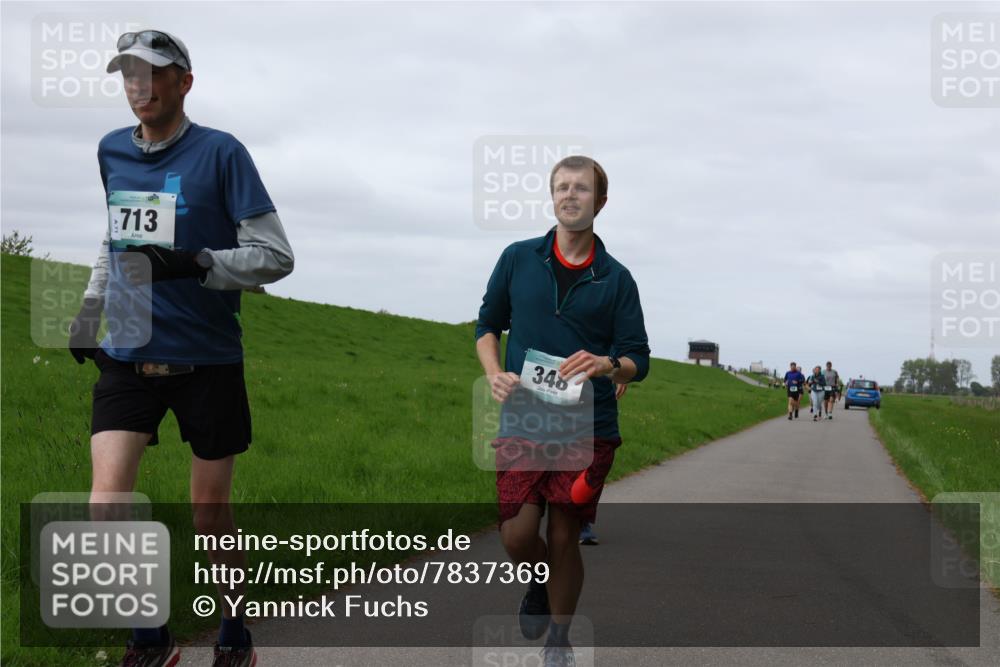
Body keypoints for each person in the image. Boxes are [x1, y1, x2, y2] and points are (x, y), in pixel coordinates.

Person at [67, 30, 293, 667]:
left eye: (153, 74)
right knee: (105, 504)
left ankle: (234, 629)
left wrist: (196, 263)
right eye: (128, 75)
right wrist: (89, 311)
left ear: (184, 82)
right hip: (128, 350)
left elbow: (278, 256)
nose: (139, 86)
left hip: (208, 359)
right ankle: (151, 637)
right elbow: (112, 240)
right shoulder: (112, 150)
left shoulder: (222, 153)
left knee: (209, 515)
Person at [475, 156, 650, 666]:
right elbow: (487, 325)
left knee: (563, 532)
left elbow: (638, 358)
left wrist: (606, 364)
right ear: (552, 197)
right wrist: (492, 371)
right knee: (517, 533)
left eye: (581, 188)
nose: (570, 195)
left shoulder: (616, 279)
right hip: (525, 419)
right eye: (562, 187)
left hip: (587, 426)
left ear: (601, 202)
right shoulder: (517, 258)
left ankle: (559, 639)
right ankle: (536, 581)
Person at [578, 382, 627, 546]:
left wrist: (621, 372)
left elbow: (623, 358)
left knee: (592, 467)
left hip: (597, 402)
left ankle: (581, 521)